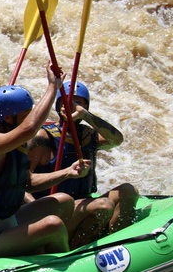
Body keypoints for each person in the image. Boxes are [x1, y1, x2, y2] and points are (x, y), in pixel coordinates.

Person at [0, 62, 83, 259]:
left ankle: (50, 249)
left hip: (9, 224)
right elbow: (29, 129)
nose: (31, 117)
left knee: (63, 202)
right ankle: (61, 262)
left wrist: (67, 172)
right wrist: (53, 87)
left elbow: (28, 183)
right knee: (53, 225)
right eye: (26, 114)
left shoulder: (13, 143)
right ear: (8, 119)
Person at [28, 81, 139, 240]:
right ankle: (74, 248)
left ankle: (118, 243)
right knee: (104, 206)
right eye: (67, 103)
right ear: (58, 106)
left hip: (82, 204)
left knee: (129, 191)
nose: (72, 107)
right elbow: (23, 182)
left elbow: (117, 140)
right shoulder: (44, 138)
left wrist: (86, 116)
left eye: (77, 103)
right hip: (54, 212)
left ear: (85, 107)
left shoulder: (89, 136)